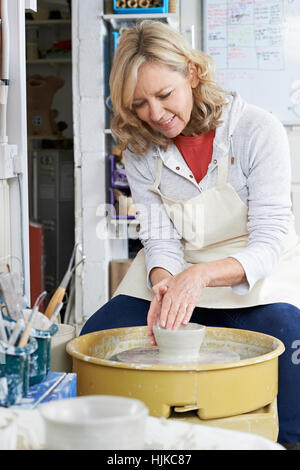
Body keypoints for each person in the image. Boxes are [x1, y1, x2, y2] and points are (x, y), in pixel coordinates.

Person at [81, 21, 300, 444]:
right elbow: (160, 239)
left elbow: (270, 238)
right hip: (178, 265)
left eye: (164, 96)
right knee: (97, 337)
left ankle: (286, 437)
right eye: (139, 103)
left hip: (252, 268)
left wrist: (198, 279)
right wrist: (165, 284)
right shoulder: (141, 150)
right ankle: (122, 439)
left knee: (290, 339)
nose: (155, 114)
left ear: (192, 74)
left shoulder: (256, 130)